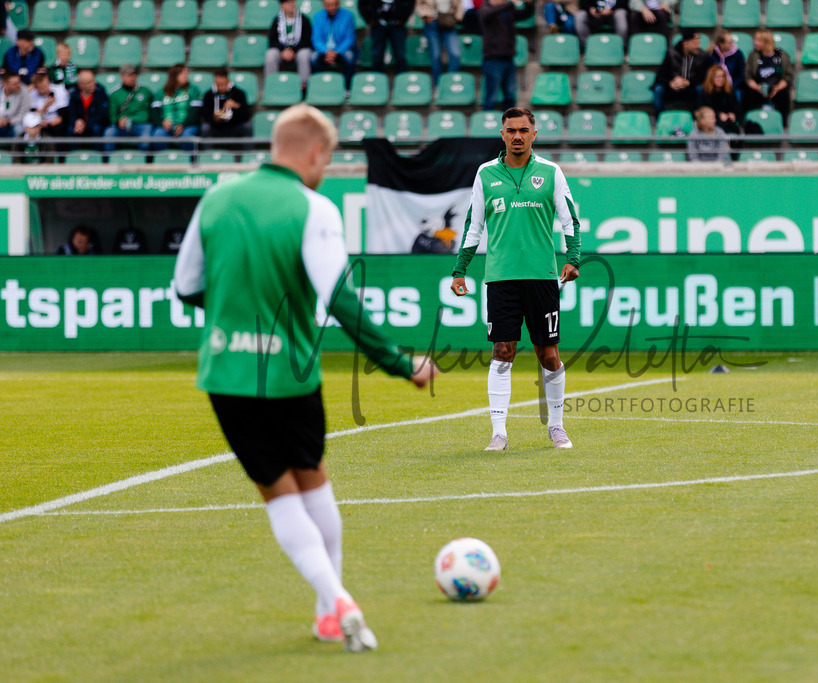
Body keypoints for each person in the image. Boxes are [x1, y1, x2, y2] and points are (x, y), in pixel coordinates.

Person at [173, 103, 438, 649]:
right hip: (291, 374)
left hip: (225, 373)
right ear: (316, 152)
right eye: (329, 158)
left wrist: (233, 313)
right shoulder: (312, 207)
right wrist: (399, 361)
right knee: (311, 480)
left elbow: (186, 286)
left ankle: (330, 605)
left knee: (278, 494)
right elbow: (339, 298)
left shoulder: (217, 197)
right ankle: (333, 599)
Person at [450, 106, 581, 451]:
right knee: (502, 351)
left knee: (548, 354)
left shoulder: (551, 172)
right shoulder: (486, 174)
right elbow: (473, 226)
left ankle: (556, 426)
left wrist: (573, 258)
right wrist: (460, 269)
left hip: (541, 276)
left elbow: (570, 221)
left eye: (524, 130)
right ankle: (498, 433)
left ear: (534, 134)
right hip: (501, 278)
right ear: (502, 134)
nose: (518, 136)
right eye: (511, 131)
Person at [479, 0, 534, 111]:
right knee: (491, 96)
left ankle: (510, 123)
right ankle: (488, 122)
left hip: (508, 57)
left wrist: (529, 4)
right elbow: (488, 14)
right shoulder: (486, 9)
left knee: (510, 95)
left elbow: (524, 14)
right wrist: (510, 3)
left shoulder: (507, 11)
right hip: (493, 58)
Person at [652, 29, 709, 117]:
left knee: (700, 89)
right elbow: (660, 76)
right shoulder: (671, 54)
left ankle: (697, 120)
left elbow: (703, 77)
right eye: (695, 43)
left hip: (690, 89)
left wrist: (687, 82)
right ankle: (660, 120)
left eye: (699, 43)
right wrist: (671, 83)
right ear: (685, 43)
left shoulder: (703, 56)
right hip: (672, 89)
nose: (698, 46)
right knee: (658, 89)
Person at [743, 29, 793, 123]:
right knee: (748, 94)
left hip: (776, 88)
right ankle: (748, 123)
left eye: (757, 40)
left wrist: (777, 88)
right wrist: (757, 87)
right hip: (758, 87)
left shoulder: (782, 55)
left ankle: (782, 124)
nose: (754, 42)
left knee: (784, 95)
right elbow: (747, 75)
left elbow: (788, 76)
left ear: (766, 42)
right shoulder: (753, 55)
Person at [103, 64, 154, 152]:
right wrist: (119, 120)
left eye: (134, 74)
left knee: (146, 136)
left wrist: (132, 119)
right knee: (109, 133)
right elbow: (112, 116)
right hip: (121, 127)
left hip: (140, 125)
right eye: (128, 75)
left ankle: (145, 164)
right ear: (122, 76)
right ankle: (109, 163)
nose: (132, 78)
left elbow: (149, 113)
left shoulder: (145, 91)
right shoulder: (115, 93)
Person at [152, 64, 203, 151]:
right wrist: (162, 123)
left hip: (187, 126)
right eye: (183, 73)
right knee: (158, 135)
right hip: (166, 127)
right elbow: (154, 112)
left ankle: (188, 163)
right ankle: (161, 161)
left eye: (187, 73)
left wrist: (183, 125)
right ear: (174, 76)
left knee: (188, 136)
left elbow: (196, 112)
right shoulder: (161, 92)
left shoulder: (193, 90)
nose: (186, 76)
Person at [312, 0, 358, 94]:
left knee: (350, 56)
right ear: (324, 5)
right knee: (312, 58)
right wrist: (326, 51)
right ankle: (319, 86)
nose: (331, 8)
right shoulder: (318, 16)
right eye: (328, 5)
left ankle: (347, 88)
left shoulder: (348, 16)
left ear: (338, 4)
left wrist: (336, 52)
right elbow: (316, 39)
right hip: (323, 50)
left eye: (333, 5)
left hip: (341, 49)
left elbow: (349, 38)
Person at [266, 0, 314, 87]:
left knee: (304, 54)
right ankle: (271, 85)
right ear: (282, 6)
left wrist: (293, 50)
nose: (292, 5)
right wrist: (284, 51)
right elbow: (272, 40)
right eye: (288, 3)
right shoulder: (276, 20)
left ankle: (304, 85)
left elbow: (307, 40)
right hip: (282, 51)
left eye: (293, 2)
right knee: (271, 54)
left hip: (298, 50)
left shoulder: (304, 20)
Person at [22, 71, 69, 160]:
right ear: (35, 88)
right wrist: (45, 107)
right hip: (40, 123)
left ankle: (61, 159)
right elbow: (32, 116)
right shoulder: (32, 95)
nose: (45, 89)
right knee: (32, 129)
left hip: (56, 123)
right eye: (41, 88)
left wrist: (49, 123)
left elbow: (63, 115)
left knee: (59, 128)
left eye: (46, 85)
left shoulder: (59, 90)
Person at [358, 0, 415, 73]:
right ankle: (377, 80)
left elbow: (410, 3)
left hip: (397, 25)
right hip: (377, 25)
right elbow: (362, 4)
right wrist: (369, 19)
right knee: (377, 55)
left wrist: (403, 18)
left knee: (400, 55)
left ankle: (402, 80)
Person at [417, 0, 464, 87]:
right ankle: (438, 86)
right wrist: (425, 15)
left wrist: (457, 17)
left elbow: (459, 5)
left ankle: (451, 84)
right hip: (432, 23)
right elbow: (419, 4)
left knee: (455, 55)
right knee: (436, 57)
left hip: (449, 22)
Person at [201, 68, 253, 140]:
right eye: (219, 85)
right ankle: (208, 151)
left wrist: (236, 106)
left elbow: (246, 115)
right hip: (216, 128)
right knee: (205, 128)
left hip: (234, 126)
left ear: (228, 81)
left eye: (224, 84)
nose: (221, 87)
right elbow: (205, 115)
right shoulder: (208, 95)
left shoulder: (239, 93)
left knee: (247, 126)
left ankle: (248, 151)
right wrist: (214, 119)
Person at [67, 69, 109, 148]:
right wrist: (77, 121)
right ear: (80, 85)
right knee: (70, 129)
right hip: (79, 126)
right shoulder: (74, 94)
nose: (94, 84)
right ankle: (73, 157)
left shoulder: (101, 93)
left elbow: (102, 116)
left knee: (97, 129)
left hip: (94, 124)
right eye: (89, 82)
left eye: (93, 81)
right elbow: (71, 113)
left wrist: (85, 124)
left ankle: (99, 158)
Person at [698, 64, 740, 134]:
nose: (721, 79)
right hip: (713, 120)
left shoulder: (729, 91)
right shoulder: (705, 92)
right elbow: (703, 109)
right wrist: (718, 115)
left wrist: (733, 114)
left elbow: (736, 107)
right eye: (717, 77)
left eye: (723, 76)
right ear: (711, 78)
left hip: (727, 119)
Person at [709, 30, 745, 99]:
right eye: (729, 43)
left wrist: (732, 86)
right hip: (715, 86)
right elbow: (709, 73)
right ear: (721, 44)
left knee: (737, 94)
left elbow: (741, 74)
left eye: (732, 42)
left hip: (733, 86)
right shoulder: (712, 55)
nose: (732, 44)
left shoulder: (738, 54)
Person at [0, 70, 30, 138]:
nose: (18, 85)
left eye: (19, 82)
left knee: (20, 130)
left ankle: (14, 147)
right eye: (15, 84)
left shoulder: (24, 91)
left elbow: (23, 114)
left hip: (13, 122)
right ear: (5, 84)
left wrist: (8, 122)